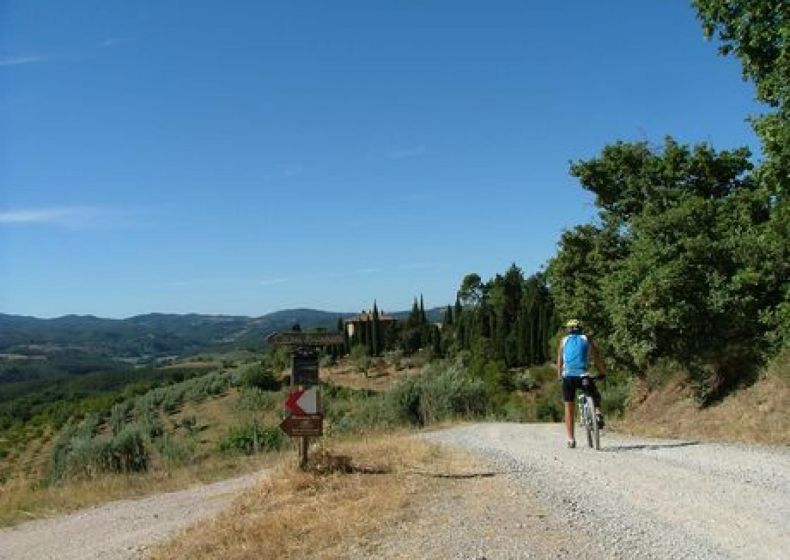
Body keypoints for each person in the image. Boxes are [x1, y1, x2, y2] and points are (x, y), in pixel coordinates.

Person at [556, 319, 605, 448]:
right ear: (580, 328)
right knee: (594, 394)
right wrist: (601, 372)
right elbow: (596, 358)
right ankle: (598, 413)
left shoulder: (563, 341)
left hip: (568, 377)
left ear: (568, 330)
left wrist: (559, 376)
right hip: (583, 375)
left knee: (569, 407)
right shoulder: (587, 339)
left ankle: (571, 439)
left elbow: (560, 361)